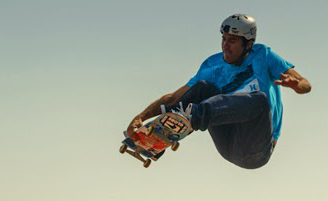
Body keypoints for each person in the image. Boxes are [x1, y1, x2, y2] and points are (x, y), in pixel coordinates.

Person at [127, 14, 311, 169]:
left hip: (254, 150)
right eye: (223, 39)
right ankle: (156, 137)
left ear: (248, 44)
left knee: (261, 101)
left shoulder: (263, 55)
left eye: (232, 41)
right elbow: (174, 97)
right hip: (226, 143)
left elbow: (305, 84)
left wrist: (296, 85)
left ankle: (192, 117)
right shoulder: (212, 65)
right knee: (203, 87)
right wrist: (141, 117)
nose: (225, 46)